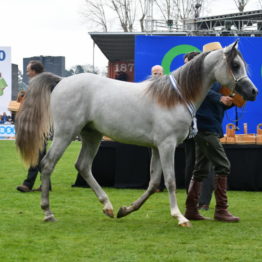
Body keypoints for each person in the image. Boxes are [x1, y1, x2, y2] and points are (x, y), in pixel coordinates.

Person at [184, 42, 240, 222]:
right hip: (205, 128)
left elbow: (217, 106)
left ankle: (191, 210)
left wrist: (230, 101)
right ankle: (221, 210)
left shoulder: (215, 80)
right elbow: (203, 92)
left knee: (200, 170)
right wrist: (220, 98)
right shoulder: (200, 78)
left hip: (210, 127)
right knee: (223, 166)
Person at [16, 60, 50, 193]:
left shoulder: (41, 84)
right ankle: (45, 185)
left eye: (28, 70)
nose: (27, 72)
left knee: (36, 154)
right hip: (39, 124)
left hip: (39, 125)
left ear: (34, 71)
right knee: (41, 156)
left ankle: (28, 184)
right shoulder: (41, 83)